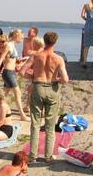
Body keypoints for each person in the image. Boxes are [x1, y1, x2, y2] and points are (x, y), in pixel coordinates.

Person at [21, 31, 69, 162]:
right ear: (55, 42)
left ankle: (33, 155)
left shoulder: (36, 56)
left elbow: (22, 71)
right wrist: (56, 79)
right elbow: (65, 79)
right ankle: (48, 156)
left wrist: (34, 77)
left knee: (35, 123)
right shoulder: (58, 59)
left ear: (44, 41)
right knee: (50, 124)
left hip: (38, 87)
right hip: (52, 89)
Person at [0, 29, 29, 121]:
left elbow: (9, 58)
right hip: (8, 73)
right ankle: (22, 115)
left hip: (11, 72)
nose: (21, 40)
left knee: (3, 95)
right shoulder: (9, 45)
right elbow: (1, 59)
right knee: (18, 93)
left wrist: (18, 61)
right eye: (21, 38)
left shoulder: (12, 45)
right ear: (16, 36)